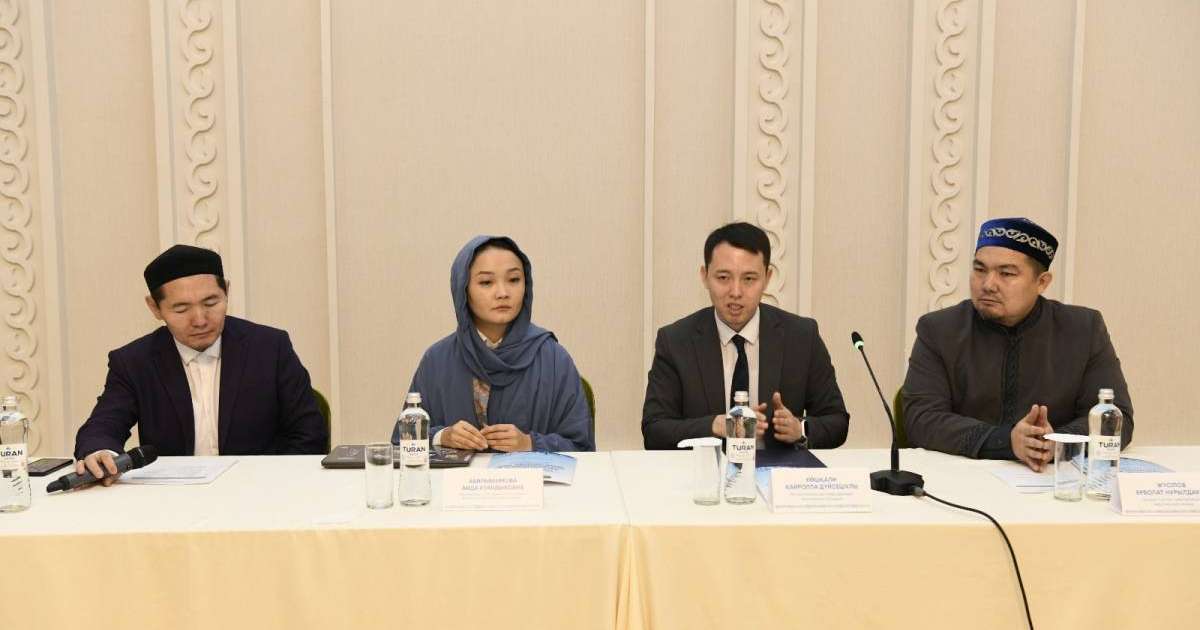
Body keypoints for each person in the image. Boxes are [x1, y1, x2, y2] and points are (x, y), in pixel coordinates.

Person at [72, 245, 328, 485]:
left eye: (211, 303)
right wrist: (100, 452)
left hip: (260, 491)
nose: (200, 320)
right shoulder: (134, 362)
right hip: (171, 501)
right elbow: (102, 426)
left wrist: (269, 483)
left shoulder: (271, 348)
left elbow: (309, 434)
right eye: (181, 309)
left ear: (226, 291)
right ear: (155, 307)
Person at [902, 217, 1134, 471]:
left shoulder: (1083, 329)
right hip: (963, 478)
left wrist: (1053, 443)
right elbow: (920, 419)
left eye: (1006, 273)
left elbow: (1116, 418)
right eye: (980, 269)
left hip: (1052, 480)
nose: (988, 284)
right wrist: (1006, 441)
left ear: (1042, 282)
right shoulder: (939, 329)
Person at [642, 222, 849, 450]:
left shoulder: (801, 337)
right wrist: (716, 425)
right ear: (704, 276)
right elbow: (654, 430)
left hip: (776, 478)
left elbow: (837, 421)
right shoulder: (675, 341)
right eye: (723, 278)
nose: (736, 292)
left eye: (749, 279)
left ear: (768, 278)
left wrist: (800, 430)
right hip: (704, 479)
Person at [398, 235, 593, 452]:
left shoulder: (553, 358)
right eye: (486, 282)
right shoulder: (437, 360)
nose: (503, 293)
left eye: (514, 280)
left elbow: (582, 446)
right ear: (463, 290)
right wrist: (442, 436)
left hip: (534, 485)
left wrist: (530, 443)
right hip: (455, 485)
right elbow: (402, 440)